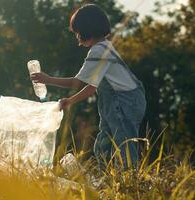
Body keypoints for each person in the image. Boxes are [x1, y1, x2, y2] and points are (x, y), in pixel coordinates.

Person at [31, 4, 146, 169]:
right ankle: (106, 176)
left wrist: (48, 79)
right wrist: (70, 101)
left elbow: (79, 82)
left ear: (86, 30)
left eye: (78, 33)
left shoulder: (99, 51)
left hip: (123, 103)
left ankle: (131, 179)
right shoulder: (106, 46)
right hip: (121, 101)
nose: (77, 37)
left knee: (124, 143)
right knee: (104, 142)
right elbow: (91, 87)